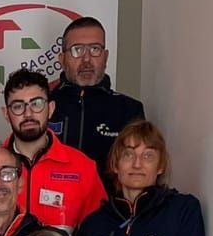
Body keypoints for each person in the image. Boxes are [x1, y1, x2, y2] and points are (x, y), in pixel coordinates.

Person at [74, 120, 206, 236]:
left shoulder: (183, 210)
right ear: (115, 164)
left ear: (160, 166)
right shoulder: (92, 224)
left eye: (148, 156)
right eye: (128, 155)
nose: (137, 164)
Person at [1, 69, 105, 235]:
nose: (28, 114)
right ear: (6, 114)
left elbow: (99, 234)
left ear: (50, 108)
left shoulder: (83, 167)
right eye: (18, 106)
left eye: (36, 104)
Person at [46, 16, 147, 178]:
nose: (86, 59)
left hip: (108, 202)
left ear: (105, 56)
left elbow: (138, 175)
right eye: (77, 50)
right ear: (62, 59)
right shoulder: (41, 107)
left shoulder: (129, 110)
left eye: (95, 49)